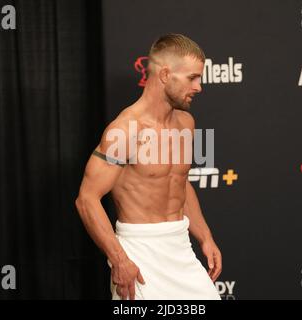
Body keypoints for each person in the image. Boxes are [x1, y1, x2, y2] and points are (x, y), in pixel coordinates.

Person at [75, 34, 222, 300]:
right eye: (192, 78)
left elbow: (179, 181)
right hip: (139, 253)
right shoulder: (126, 130)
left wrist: (205, 236)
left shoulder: (187, 123)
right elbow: (86, 199)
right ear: (165, 74)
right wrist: (119, 259)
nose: (199, 87)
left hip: (180, 247)